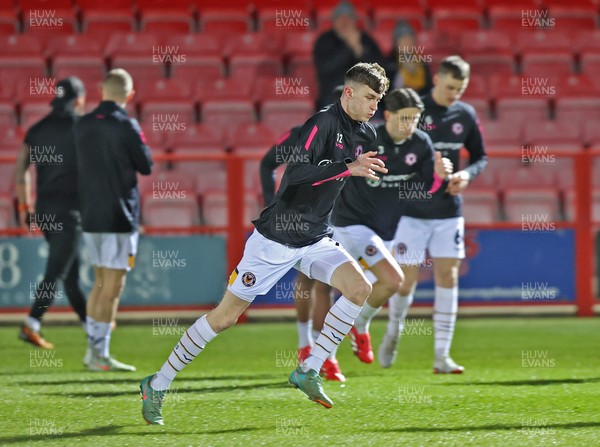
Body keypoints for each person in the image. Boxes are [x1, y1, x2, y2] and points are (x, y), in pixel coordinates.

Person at [140, 62, 390, 425]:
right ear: (348, 92)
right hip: (275, 241)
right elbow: (297, 174)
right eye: (369, 97)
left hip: (315, 239)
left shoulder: (364, 133)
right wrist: (347, 168)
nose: (374, 106)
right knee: (224, 318)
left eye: (378, 100)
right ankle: (157, 384)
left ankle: (309, 370)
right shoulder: (321, 124)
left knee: (359, 288)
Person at [356, 56, 488, 373]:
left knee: (448, 275)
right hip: (412, 212)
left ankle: (442, 356)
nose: (456, 93)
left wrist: (467, 175)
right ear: (438, 80)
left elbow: (481, 157)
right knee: (405, 283)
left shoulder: (466, 115)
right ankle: (393, 333)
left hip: (448, 210)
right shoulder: (415, 112)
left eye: (462, 88)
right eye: (452, 86)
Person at [333, 88, 452, 364]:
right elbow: (335, 169)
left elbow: (428, 189)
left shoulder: (421, 143)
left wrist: (439, 176)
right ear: (387, 115)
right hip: (351, 224)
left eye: (414, 118)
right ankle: (326, 354)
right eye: (404, 118)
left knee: (369, 288)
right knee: (391, 281)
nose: (409, 124)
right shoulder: (365, 138)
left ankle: (349, 334)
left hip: (386, 230)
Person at [259, 86, 346, 382]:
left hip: (331, 218)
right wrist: (271, 199)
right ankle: (308, 346)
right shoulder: (301, 134)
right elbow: (267, 163)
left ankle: (322, 354)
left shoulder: (358, 138)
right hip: (296, 220)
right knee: (310, 281)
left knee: (324, 284)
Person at [75, 68, 153, 372]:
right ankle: (99, 354)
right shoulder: (126, 125)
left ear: (101, 90)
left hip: (91, 214)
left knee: (99, 283)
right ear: (129, 95)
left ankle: (92, 352)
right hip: (118, 215)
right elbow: (145, 165)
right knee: (113, 287)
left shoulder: (81, 125)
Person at [15, 77, 88, 353]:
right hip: (71, 212)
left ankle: (91, 325)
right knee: (57, 271)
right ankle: (32, 322)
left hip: (45, 210)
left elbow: (20, 170)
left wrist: (25, 206)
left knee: (68, 272)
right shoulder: (83, 127)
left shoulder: (37, 130)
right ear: (79, 99)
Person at [313, 1, 384, 109]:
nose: (344, 22)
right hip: (334, 95)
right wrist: (348, 47)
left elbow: (379, 69)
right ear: (334, 22)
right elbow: (324, 68)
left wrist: (359, 50)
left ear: (354, 22)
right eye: (340, 18)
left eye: (348, 19)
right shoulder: (324, 40)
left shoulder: (365, 40)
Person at [385, 20, 433, 96]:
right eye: (403, 39)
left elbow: (429, 87)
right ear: (396, 43)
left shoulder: (421, 62)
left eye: (409, 39)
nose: (406, 42)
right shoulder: (389, 63)